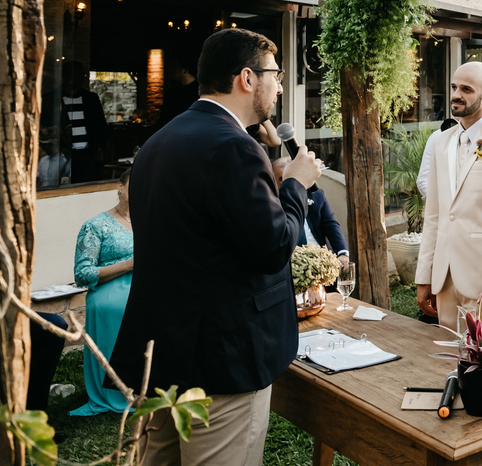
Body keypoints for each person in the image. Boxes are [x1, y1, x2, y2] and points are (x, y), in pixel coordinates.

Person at [108, 28, 321, 465]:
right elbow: (274, 247)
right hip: (222, 359)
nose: (280, 87)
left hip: (163, 353)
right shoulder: (234, 148)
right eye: (276, 76)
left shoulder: (158, 143)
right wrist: (296, 184)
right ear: (248, 77)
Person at [415, 61, 482, 330]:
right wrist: (424, 276)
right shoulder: (441, 142)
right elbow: (434, 215)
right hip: (444, 277)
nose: (456, 95)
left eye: (466, 89)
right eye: (454, 87)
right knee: (444, 352)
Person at [69, 169, 135, 416]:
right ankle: (114, 391)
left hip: (147, 287)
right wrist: (128, 265)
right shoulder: (95, 226)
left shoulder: (151, 221)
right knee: (118, 307)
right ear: (120, 186)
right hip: (109, 291)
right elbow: (82, 274)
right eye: (134, 185)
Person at [272, 158, 349, 269]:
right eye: (281, 179)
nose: (286, 183)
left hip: (321, 259)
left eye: (290, 178)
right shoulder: (271, 204)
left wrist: (342, 253)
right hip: (290, 264)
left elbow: (330, 224)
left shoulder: (315, 194)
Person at [60, 61, 108, 184]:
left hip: (87, 155)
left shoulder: (91, 99)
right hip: (62, 155)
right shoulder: (54, 99)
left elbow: (101, 126)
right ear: (65, 75)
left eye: (81, 74)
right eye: (74, 73)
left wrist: (100, 149)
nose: (78, 77)